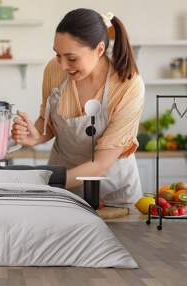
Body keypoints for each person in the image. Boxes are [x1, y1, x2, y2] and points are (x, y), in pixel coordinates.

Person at [11, 8, 144, 204]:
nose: (63, 65)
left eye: (72, 58)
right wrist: (36, 136)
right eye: (57, 55)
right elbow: (50, 123)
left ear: (99, 50)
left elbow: (100, 165)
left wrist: (46, 181)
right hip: (63, 192)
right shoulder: (54, 69)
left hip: (111, 193)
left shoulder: (128, 85)